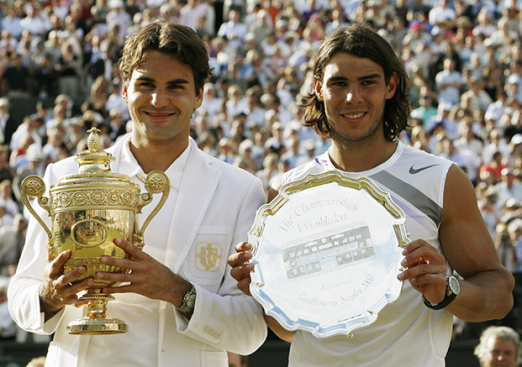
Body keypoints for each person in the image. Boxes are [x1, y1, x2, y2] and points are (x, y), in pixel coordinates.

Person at [228, 23, 514, 366]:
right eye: (338, 83)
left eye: (368, 82)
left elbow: (499, 294)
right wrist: (262, 289)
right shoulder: (286, 191)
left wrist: (447, 289)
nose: (353, 97)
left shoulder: (439, 179)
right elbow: (290, 330)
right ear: (318, 88)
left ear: (390, 85)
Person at [8, 21, 267, 367]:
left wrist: (177, 292)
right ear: (126, 90)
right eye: (146, 84)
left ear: (200, 95)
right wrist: (50, 295)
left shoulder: (240, 190)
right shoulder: (65, 175)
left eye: (176, 87)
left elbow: (250, 331)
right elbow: (21, 297)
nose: (159, 100)